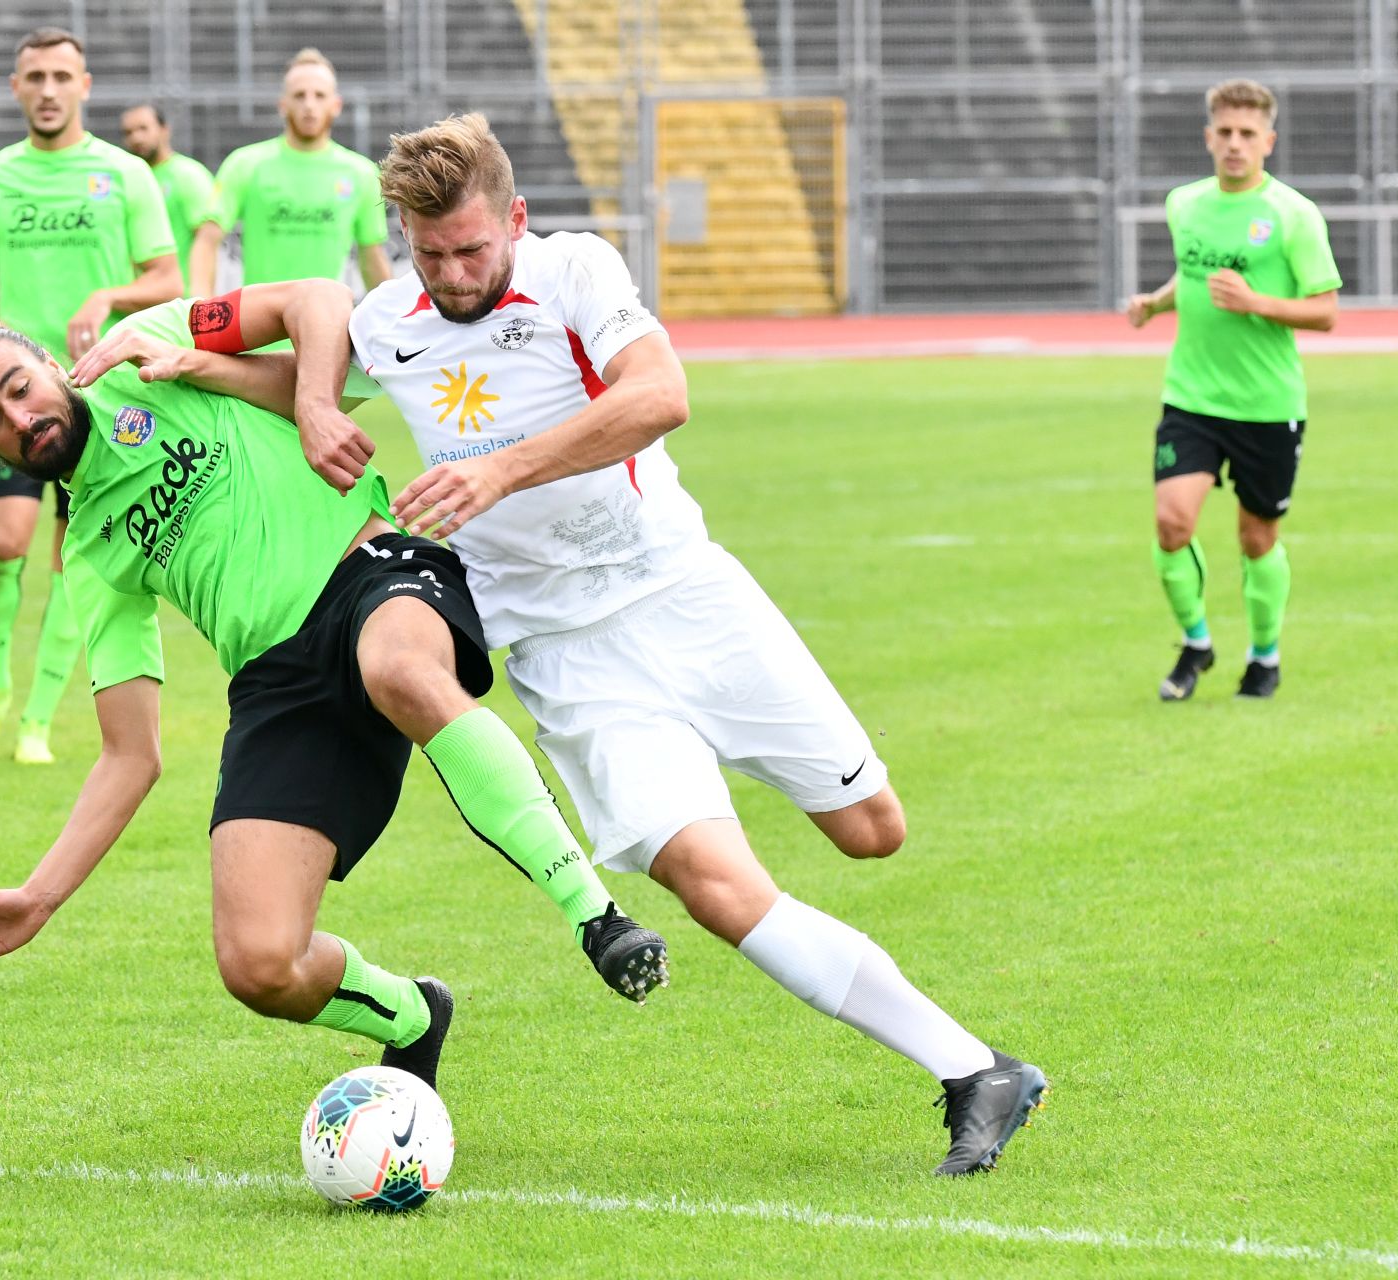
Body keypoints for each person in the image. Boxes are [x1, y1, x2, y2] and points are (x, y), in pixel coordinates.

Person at [320, 114, 1039, 1176]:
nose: (453, 273)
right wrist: (244, 383)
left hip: (687, 597)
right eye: (429, 252)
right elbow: (293, 328)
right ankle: (975, 1069)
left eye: (472, 248)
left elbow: (662, 395)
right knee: (711, 881)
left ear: (514, 219)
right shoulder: (387, 319)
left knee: (871, 830)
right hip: (565, 656)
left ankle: (955, 1036)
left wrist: (500, 470)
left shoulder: (573, 271)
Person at [0, 281, 672, 1093]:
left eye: (18, 388)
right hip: (278, 687)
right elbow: (129, 754)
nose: (19, 419)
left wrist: (313, 405)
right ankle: (414, 1015)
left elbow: (315, 301)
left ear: (48, 363)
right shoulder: (92, 551)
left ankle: (596, 916)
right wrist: (40, 896)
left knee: (399, 669)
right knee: (259, 963)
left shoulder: (151, 343)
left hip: (370, 571)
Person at [0, 27, 183, 765]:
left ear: (84, 85)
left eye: (62, 76)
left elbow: (166, 279)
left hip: (97, 397)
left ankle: (38, 719)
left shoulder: (124, 174)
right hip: (16, 403)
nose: (48, 89)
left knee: (71, 561)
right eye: (35, 77)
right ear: (16, 87)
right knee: (3, 544)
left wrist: (106, 294)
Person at [1128, 78, 1340, 701]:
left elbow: (1325, 311)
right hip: (1191, 397)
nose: (1235, 144)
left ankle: (1265, 656)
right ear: (1208, 137)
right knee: (1172, 524)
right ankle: (1196, 643)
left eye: (1248, 134)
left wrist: (1256, 303)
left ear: (1268, 141)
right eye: (1224, 132)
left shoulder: (1292, 215)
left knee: (1257, 538)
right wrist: (1157, 303)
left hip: (1267, 407)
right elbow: (1192, 274)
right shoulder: (1183, 204)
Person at [186, 48, 392, 299]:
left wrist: (394, 320)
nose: (309, 105)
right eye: (299, 95)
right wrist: (198, 309)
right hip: (258, 333)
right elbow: (207, 241)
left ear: (336, 105)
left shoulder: (361, 173)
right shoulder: (245, 164)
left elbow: (371, 257)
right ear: (282, 104)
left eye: (319, 95)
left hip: (326, 330)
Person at [119, 103, 217, 288]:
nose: (136, 138)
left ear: (165, 130)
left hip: (182, 303)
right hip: (140, 300)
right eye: (128, 132)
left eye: (143, 129)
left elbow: (207, 241)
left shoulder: (189, 174)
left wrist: (202, 300)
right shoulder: (128, 178)